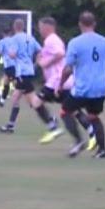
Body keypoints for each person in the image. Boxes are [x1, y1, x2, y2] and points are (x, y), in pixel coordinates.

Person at [57, 11, 105, 159]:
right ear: (94, 24)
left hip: (83, 87)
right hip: (100, 87)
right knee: (93, 117)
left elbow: (68, 69)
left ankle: (79, 141)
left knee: (65, 112)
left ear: (80, 24)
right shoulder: (104, 41)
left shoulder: (75, 42)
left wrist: (60, 84)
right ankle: (103, 150)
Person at [35, 16, 96, 147]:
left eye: (40, 27)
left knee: (36, 102)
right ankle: (91, 133)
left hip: (56, 81)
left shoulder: (51, 39)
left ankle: (53, 127)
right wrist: (41, 59)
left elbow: (60, 54)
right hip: (63, 81)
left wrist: (44, 63)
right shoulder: (50, 40)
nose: (39, 29)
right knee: (71, 110)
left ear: (47, 27)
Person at [0, 18, 44, 133]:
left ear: (14, 27)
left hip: (22, 72)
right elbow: (41, 51)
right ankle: (10, 125)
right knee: (19, 98)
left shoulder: (15, 39)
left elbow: (13, 55)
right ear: (23, 27)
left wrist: (8, 51)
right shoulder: (30, 38)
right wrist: (36, 63)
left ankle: (50, 119)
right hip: (29, 70)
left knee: (29, 99)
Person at [0, 27, 15, 106]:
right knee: (6, 82)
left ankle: (32, 99)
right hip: (16, 65)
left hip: (10, 65)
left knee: (18, 85)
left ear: (3, 34)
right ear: (10, 33)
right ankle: (2, 101)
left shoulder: (2, 41)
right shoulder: (14, 40)